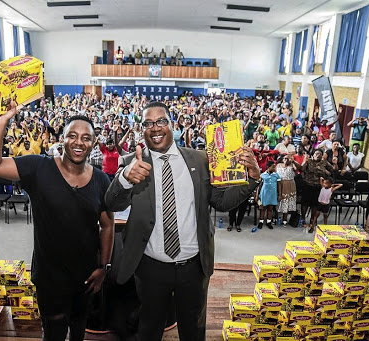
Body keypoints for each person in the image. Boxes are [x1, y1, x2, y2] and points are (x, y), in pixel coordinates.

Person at [104, 101, 261, 341]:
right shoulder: (130, 162)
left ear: (172, 125)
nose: (155, 128)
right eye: (148, 123)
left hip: (194, 267)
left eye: (161, 121)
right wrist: (125, 179)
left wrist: (252, 179)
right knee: (149, 329)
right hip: (150, 268)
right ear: (142, 129)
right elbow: (113, 204)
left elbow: (220, 202)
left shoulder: (199, 159)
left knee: (194, 330)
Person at [0, 102, 115, 341]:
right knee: (53, 333)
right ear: (61, 139)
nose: (78, 142)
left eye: (86, 138)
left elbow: (107, 225)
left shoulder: (101, 180)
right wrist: (1, 121)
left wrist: (103, 267)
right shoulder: (38, 168)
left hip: (86, 276)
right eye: (72, 136)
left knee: (78, 329)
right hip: (50, 278)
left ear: (93, 144)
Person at [298, 149, 334, 229]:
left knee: (315, 205)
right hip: (307, 185)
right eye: (316, 154)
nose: (318, 155)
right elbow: (302, 169)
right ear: (313, 155)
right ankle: (303, 219)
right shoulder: (309, 161)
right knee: (305, 203)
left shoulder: (324, 162)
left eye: (320, 154)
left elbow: (332, 170)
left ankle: (312, 220)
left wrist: (328, 169)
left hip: (318, 186)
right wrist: (305, 161)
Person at [256, 161, 280, 229]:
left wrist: (280, 194)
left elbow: (279, 185)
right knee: (262, 208)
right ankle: (261, 222)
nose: (275, 168)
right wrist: (257, 195)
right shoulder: (263, 175)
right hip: (264, 194)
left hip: (272, 194)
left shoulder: (276, 175)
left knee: (270, 208)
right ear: (268, 167)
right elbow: (259, 186)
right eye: (273, 167)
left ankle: (269, 222)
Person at [276, 155, 298, 227]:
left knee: (286, 202)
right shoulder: (278, 165)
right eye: (285, 158)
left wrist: (293, 161)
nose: (286, 160)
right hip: (279, 184)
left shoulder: (292, 165)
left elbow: (297, 169)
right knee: (278, 201)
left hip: (289, 185)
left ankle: (284, 220)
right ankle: (275, 218)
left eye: (288, 158)